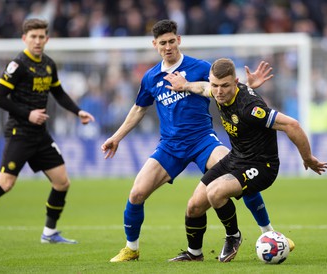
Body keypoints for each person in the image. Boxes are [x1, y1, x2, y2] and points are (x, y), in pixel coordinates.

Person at [101, 19, 275, 262]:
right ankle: (132, 248)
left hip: (204, 140)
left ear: (179, 40)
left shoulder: (200, 67)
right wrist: (116, 137)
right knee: (137, 193)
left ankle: (269, 233)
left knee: (239, 172)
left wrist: (245, 86)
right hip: (170, 147)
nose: (168, 46)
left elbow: (219, 88)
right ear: (155, 44)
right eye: (163, 43)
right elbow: (139, 109)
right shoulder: (151, 77)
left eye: (172, 41)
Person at [164, 58, 327, 262]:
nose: (219, 91)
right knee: (194, 205)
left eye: (225, 86)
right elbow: (204, 88)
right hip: (237, 158)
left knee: (215, 192)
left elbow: (292, 125)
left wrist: (308, 158)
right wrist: (185, 85)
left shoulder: (250, 108)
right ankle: (194, 254)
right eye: (215, 85)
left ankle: (233, 237)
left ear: (236, 82)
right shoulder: (218, 92)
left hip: (262, 166)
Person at [0, 18, 95, 244]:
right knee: (5, 184)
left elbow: (58, 93)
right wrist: (27, 114)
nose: (37, 41)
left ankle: (49, 233)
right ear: (24, 39)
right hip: (20, 133)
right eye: (33, 37)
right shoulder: (17, 65)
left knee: (62, 182)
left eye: (41, 37)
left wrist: (78, 112)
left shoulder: (48, 64)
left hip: (40, 135)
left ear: (47, 39)